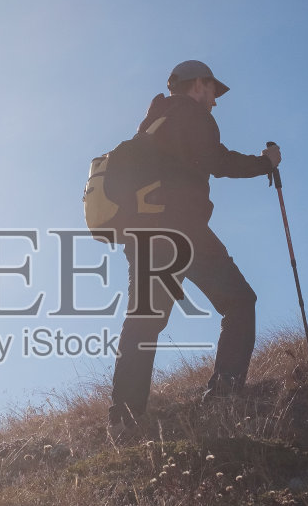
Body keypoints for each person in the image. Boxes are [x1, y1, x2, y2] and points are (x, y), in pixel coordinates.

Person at [108, 60, 281, 433]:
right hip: (183, 230)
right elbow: (216, 161)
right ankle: (225, 392)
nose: (215, 101)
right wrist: (265, 163)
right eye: (212, 90)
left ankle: (123, 417)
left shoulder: (152, 124)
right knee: (239, 301)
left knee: (144, 322)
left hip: (142, 234)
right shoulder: (190, 114)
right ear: (197, 84)